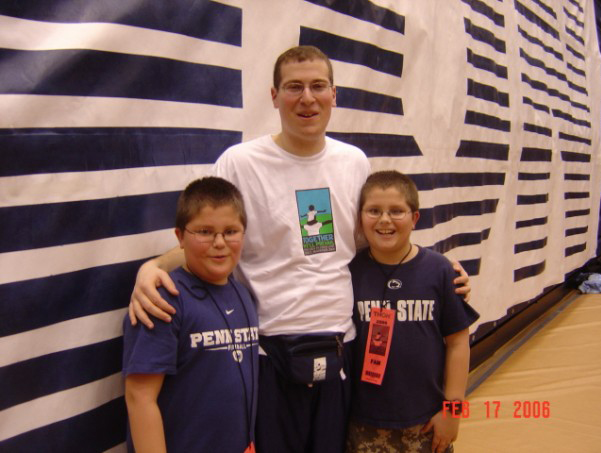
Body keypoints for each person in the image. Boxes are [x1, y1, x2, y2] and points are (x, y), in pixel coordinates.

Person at [127, 46, 471, 453]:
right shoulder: (240, 163)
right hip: (268, 355)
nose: (307, 98)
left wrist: (435, 266)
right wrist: (151, 267)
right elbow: (208, 237)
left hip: (342, 350)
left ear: (334, 95)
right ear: (274, 96)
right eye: (294, 87)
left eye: (317, 86)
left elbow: (376, 237)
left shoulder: (353, 162)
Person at [346, 170, 479, 453]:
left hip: (426, 424)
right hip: (361, 424)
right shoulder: (349, 272)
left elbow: (458, 343)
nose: (384, 220)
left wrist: (453, 410)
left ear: (415, 218)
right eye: (374, 211)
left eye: (396, 211)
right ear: (360, 218)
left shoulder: (441, 270)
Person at [122, 177, 258, 453]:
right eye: (205, 232)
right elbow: (139, 397)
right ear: (180, 237)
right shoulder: (162, 299)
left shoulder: (244, 294)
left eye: (231, 231)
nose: (219, 242)